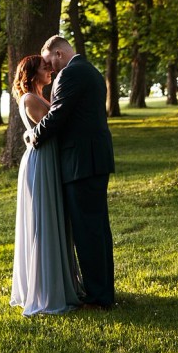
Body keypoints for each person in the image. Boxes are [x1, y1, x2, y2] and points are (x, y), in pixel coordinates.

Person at [28, 35, 116, 310]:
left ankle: (98, 298)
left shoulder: (71, 74)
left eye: (48, 62)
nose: (49, 69)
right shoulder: (90, 71)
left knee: (87, 231)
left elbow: (58, 114)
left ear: (58, 53)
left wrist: (34, 136)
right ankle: (104, 291)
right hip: (94, 159)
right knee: (98, 229)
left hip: (81, 162)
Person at [10, 54, 83, 316]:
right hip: (41, 163)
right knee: (44, 221)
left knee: (54, 219)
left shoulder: (41, 96)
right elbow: (54, 127)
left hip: (49, 159)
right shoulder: (30, 99)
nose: (50, 69)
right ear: (31, 74)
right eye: (44, 67)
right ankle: (46, 291)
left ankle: (60, 283)